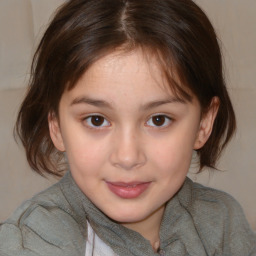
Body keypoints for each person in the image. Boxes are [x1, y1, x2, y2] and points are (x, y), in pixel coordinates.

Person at [0, 0, 255, 255]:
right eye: (96, 120)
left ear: (203, 123)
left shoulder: (223, 222)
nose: (127, 157)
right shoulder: (32, 242)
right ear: (55, 125)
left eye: (158, 120)